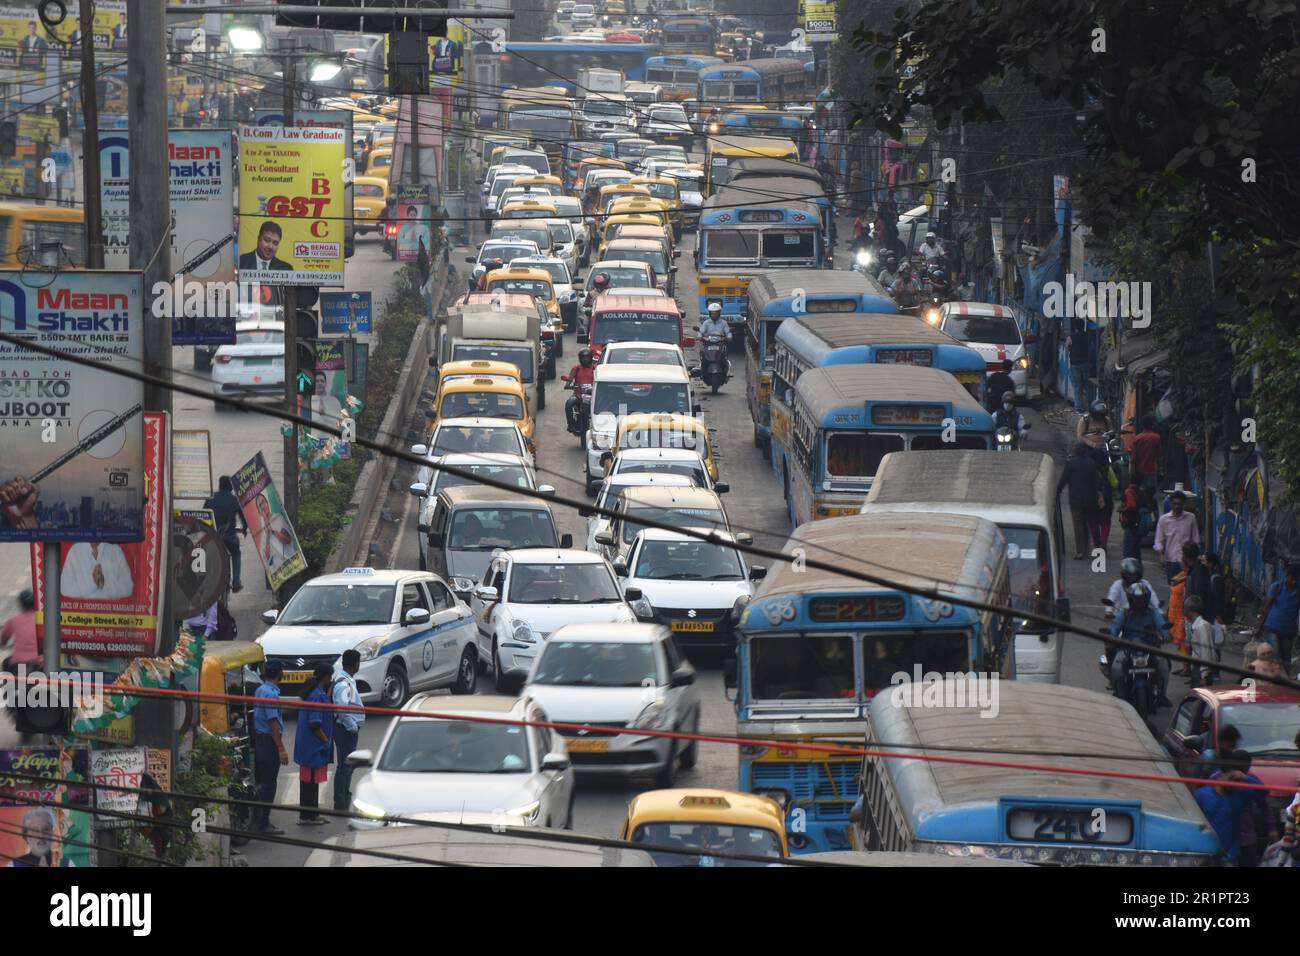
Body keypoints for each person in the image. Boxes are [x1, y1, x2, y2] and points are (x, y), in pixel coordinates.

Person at [1108, 582, 1172, 706]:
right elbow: (1115, 627)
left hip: (1150, 649)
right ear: (1131, 599)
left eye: (1142, 600)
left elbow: (1161, 625)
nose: (1139, 603)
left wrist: (1166, 635)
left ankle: (1161, 695)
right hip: (1127, 649)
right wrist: (1111, 636)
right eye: (1136, 600)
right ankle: (1118, 693)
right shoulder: (1124, 612)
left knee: (1164, 666)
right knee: (1116, 669)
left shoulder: (1152, 613)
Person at [294, 664, 335, 825]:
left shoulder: (315, 693)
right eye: (329, 677)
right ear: (325, 677)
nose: (330, 680)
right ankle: (308, 816)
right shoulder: (317, 695)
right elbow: (315, 723)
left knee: (310, 781)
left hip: (308, 746)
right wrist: (325, 740)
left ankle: (313, 814)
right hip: (313, 745)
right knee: (310, 782)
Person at [253, 661, 288, 836]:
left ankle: (260, 820)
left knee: (264, 783)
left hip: (261, 740)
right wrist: (281, 748)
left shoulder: (261, 690)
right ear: (279, 674)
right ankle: (263, 823)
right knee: (269, 784)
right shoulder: (270, 694)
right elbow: (273, 722)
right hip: (268, 742)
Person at [1057, 442, 1103, 560]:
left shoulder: (1071, 464)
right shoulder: (1092, 464)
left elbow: (1063, 480)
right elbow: (1097, 482)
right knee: (1087, 524)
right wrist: (1098, 495)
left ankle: (1080, 551)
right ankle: (1088, 547)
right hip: (1090, 499)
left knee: (1078, 525)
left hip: (1075, 500)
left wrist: (1057, 492)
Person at [331, 650, 365, 812]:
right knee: (345, 766)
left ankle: (344, 796)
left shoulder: (346, 679)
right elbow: (341, 709)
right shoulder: (344, 683)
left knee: (347, 766)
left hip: (346, 729)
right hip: (345, 730)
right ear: (356, 664)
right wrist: (352, 727)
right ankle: (341, 801)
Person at [205, 476, 249, 592]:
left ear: (220, 486)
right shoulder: (234, 500)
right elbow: (243, 517)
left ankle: (208, 579)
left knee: (209, 554)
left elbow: (204, 515)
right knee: (236, 553)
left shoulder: (211, 498)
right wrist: (244, 528)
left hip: (214, 537)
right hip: (229, 536)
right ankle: (236, 583)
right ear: (230, 486)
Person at [1255, 563, 1299, 672]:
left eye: (1297, 578)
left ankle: (1284, 681)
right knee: (1276, 655)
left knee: (1286, 657)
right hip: (1272, 627)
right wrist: (1259, 627)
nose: (1294, 581)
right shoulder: (1277, 587)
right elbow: (1267, 607)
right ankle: (1277, 680)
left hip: (1288, 630)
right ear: (1287, 575)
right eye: (1292, 578)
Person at [1153, 490, 1200, 584]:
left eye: (1179, 504)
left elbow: (1195, 539)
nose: (1177, 506)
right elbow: (1158, 540)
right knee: (1173, 587)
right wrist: (1161, 552)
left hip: (1188, 561)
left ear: (1183, 504)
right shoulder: (1164, 520)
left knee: (1189, 587)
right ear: (1171, 504)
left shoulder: (1191, 518)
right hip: (1171, 560)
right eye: (1174, 504)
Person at [62, 542, 133, 599]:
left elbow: (128, 588)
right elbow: (65, 588)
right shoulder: (75, 550)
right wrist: (93, 583)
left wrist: (105, 585)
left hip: (111, 613)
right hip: (82, 614)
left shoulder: (115, 551)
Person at [0, 589, 40, 671]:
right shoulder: (42, 619)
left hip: (18, 663)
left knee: (5, 663)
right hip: (39, 663)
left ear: (21, 604)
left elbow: (3, 639)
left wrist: (4, 645)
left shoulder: (13, 620)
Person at [562, 348, 597, 435]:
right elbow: (568, 382)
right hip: (578, 394)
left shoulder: (595, 368)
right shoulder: (576, 368)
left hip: (593, 395)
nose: (585, 359)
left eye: (587, 358)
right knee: (569, 403)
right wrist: (569, 385)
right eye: (583, 358)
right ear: (580, 358)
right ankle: (571, 425)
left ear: (590, 358)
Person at [1087, 445, 1114, 552]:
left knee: (1093, 523)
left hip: (1092, 500)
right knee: (1105, 523)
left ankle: (1097, 544)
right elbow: (1115, 483)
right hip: (1107, 499)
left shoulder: (1089, 470)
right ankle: (1103, 542)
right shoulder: (1108, 469)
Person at [1185, 595, 1215, 687]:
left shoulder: (1202, 626)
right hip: (1197, 668)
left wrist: (1205, 675)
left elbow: (1206, 650)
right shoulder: (1194, 625)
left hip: (1201, 670)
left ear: (1191, 610)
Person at [1129, 415, 1161, 496]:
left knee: (1138, 495)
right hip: (1151, 470)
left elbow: (1133, 458)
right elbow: (1158, 454)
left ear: (1142, 425)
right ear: (1152, 425)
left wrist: (1132, 473)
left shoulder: (1137, 439)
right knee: (1150, 495)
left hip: (1139, 471)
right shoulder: (1156, 438)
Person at [1066, 318, 1090, 413]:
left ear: (1075, 327)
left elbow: (1068, 347)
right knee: (1086, 386)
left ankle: (1079, 408)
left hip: (1075, 364)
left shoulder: (1071, 337)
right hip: (1085, 363)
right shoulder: (1086, 336)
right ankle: (1088, 406)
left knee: (1077, 386)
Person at [1118, 477, 1144, 561]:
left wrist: (1123, 509)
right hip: (1138, 522)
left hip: (1130, 522)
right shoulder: (1140, 491)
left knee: (1128, 549)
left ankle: (1128, 568)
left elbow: (1131, 504)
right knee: (1136, 550)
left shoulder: (1129, 491)